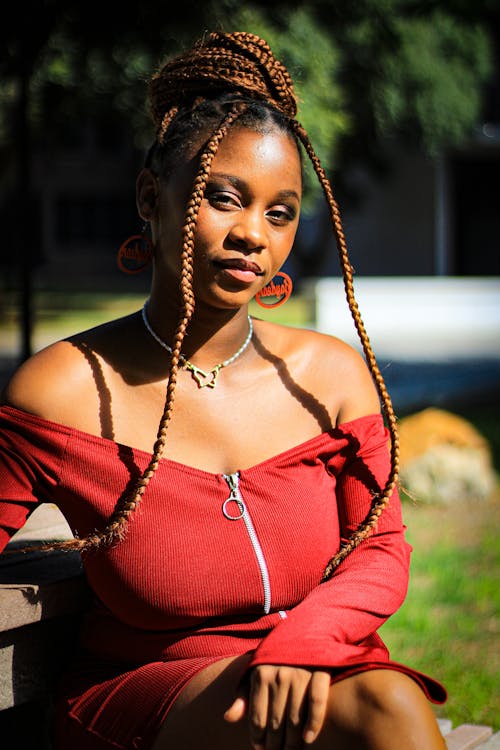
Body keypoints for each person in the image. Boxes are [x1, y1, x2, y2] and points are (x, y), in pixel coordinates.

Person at [0, 31, 447, 750]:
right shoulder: (66, 388)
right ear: (152, 197)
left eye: (279, 211)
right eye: (223, 197)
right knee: (377, 712)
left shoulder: (328, 375)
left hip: (314, 667)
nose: (252, 234)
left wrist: (306, 640)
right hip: (151, 692)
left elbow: (380, 547)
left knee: (386, 703)